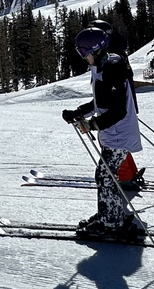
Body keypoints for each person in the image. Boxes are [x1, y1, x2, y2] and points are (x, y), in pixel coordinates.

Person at [62, 27, 146, 241]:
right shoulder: (103, 65)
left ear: (94, 49)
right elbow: (102, 101)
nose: (84, 57)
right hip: (114, 133)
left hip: (119, 134)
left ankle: (111, 223)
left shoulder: (110, 68)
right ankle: (111, 214)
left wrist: (93, 125)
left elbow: (118, 110)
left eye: (83, 52)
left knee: (106, 177)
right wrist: (79, 112)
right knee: (107, 176)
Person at [91, 19, 141, 188]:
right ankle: (130, 173)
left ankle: (124, 178)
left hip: (117, 108)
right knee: (120, 145)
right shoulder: (116, 51)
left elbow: (111, 89)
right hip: (125, 105)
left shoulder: (109, 57)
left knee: (112, 143)